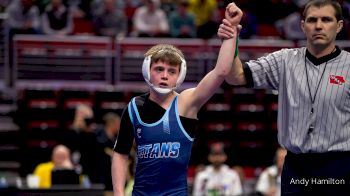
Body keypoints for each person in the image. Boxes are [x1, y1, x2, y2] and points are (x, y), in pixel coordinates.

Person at [219, 0, 350, 195]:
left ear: (339, 26)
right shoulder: (284, 60)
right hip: (296, 167)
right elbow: (235, 76)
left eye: (326, 19)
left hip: (339, 165)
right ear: (302, 25)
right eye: (312, 20)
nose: (319, 26)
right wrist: (231, 37)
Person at [111, 13, 241, 195]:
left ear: (179, 76)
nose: (165, 75)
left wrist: (231, 32)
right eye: (159, 69)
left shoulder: (187, 102)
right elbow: (120, 153)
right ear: (147, 71)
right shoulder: (134, 107)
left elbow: (221, 72)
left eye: (172, 71)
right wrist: (118, 193)